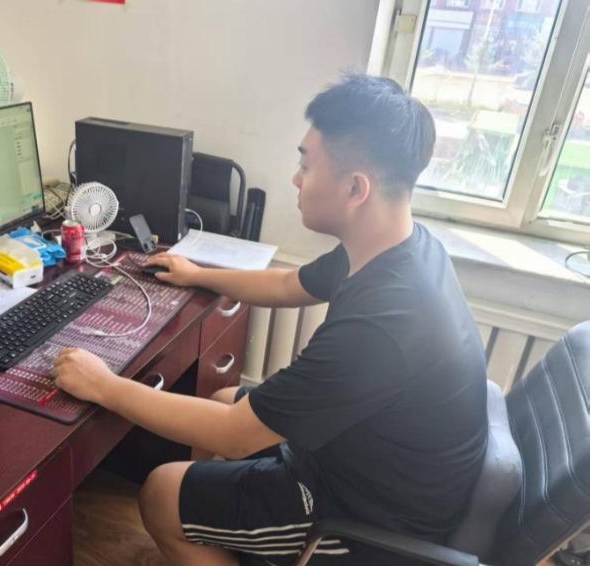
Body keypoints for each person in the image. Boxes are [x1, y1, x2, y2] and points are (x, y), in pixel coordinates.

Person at [53, 73, 488, 566]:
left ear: (355, 188)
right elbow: (287, 284)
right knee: (220, 400)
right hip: (366, 457)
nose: (296, 179)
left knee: (159, 492)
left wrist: (105, 385)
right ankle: (214, 531)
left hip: (368, 519)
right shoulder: (398, 247)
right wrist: (198, 273)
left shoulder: (382, 329)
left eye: (306, 165)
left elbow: (235, 435)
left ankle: (206, 524)